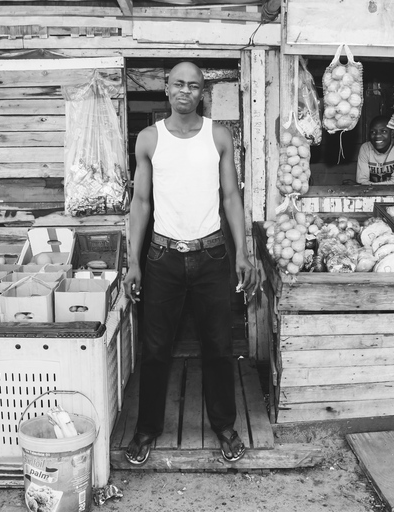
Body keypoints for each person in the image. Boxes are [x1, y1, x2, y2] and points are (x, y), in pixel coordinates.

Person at [123, 62, 263, 465]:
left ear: (203, 93)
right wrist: (133, 260)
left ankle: (223, 426)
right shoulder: (149, 140)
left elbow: (232, 198)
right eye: (179, 84)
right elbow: (141, 203)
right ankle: (147, 428)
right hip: (163, 257)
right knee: (154, 349)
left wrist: (243, 251)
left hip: (212, 255)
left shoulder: (218, 136)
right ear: (166, 89)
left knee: (219, 346)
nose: (186, 91)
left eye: (194, 86)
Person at [356, 115, 394, 185]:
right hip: (374, 194)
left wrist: (368, 186)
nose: (377, 135)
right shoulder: (366, 148)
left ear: (392, 133)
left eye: (383, 131)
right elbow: (361, 181)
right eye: (373, 132)